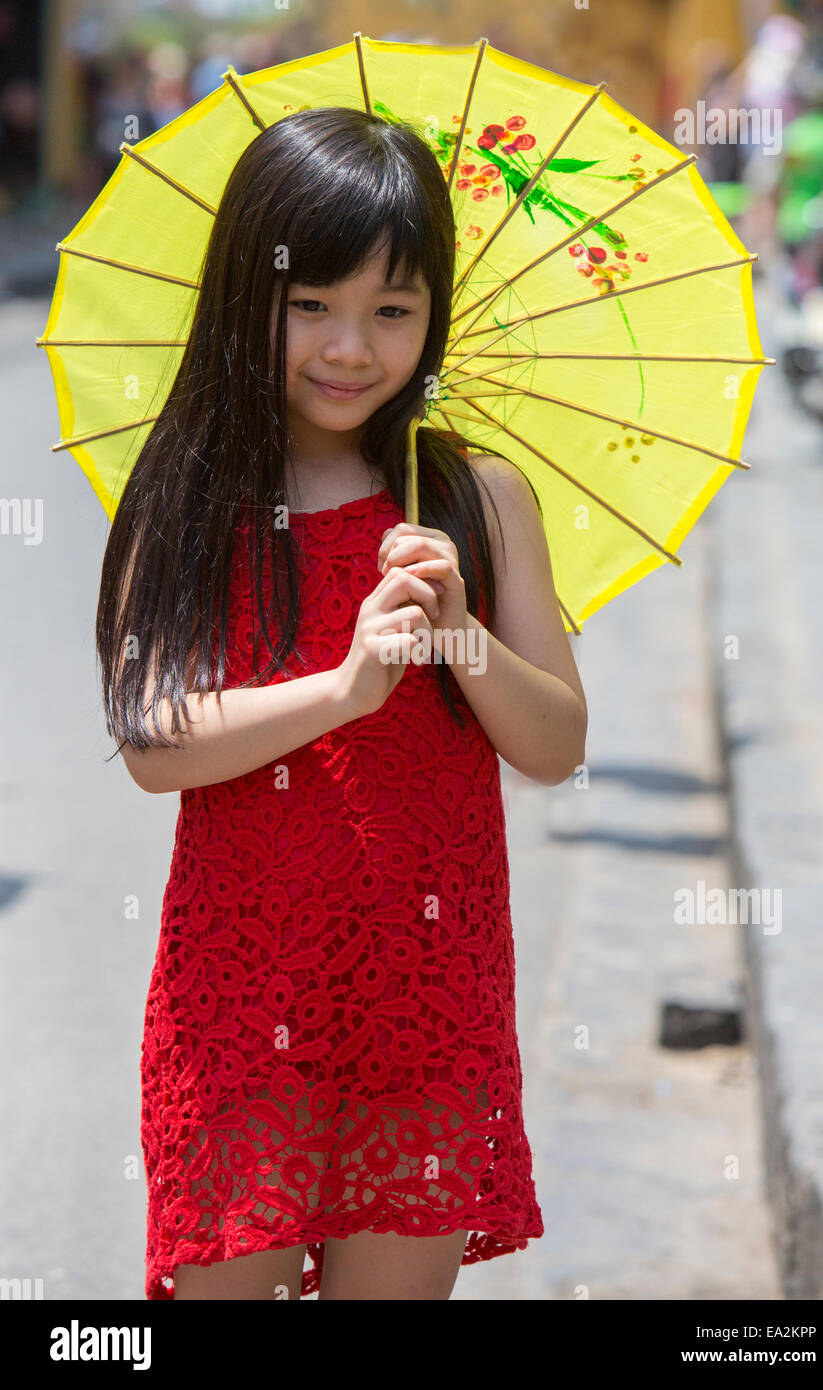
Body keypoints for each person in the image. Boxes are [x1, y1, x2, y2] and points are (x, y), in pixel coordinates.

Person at [95, 107, 587, 1301]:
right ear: (243, 296)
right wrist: (343, 686)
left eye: (391, 310)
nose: (349, 347)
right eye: (308, 303)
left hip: (426, 999)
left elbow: (556, 743)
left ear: (434, 315)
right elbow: (154, 743)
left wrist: (460, 628)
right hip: (242, 997)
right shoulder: (193, 497)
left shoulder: (474, 496)